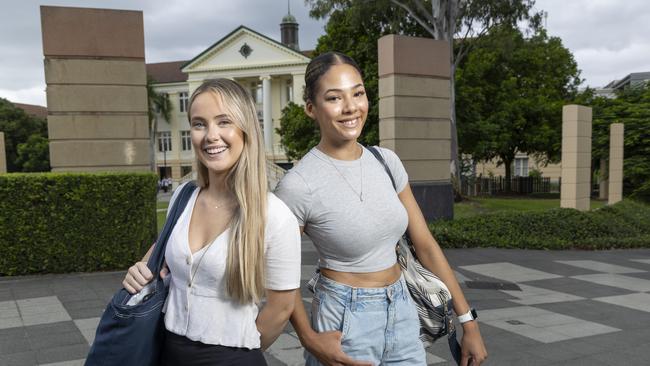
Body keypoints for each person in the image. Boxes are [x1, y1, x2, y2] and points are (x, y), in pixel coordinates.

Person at [275, 52, 488, 366]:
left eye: (358, 93)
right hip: (345, 318)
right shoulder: (297, 185)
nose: (351, 107)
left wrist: (468, 321)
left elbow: (426, 245)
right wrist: (309, 338)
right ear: (311, 108)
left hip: (402, 309)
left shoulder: (386, 161)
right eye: (334, 98)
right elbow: (281, 274)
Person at [123, 78, 301, 366]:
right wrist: (138, 271)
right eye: (199, 124)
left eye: (224, 122)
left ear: (245, 129)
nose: (211, 135)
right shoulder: (183, 197)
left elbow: (280, 310)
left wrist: (235, 352)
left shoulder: (275, 215)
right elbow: (161, 256)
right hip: (168, 351)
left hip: (231, 357)